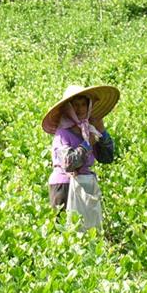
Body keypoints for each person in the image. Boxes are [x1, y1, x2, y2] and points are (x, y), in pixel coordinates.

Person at [42, 84, 119, 232]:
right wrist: (87, 144)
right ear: (68, 108)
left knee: (86, 233)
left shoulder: (89, 129)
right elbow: (69, 163)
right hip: (64, 186)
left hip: (85, 184)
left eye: (84, 104)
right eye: (75, 105)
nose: (80, 109)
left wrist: (102, 131)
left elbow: (107, 157)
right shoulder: (63, 133)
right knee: (64, 232)